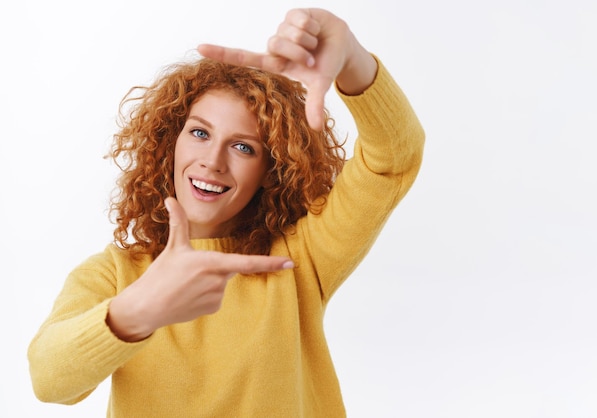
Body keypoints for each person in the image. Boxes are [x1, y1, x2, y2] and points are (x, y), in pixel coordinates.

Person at [28, 7, 425, 417]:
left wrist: (353, 60)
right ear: (170, 142)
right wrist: (137, 309)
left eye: (243, 147)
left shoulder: (299, 259)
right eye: (200, 133)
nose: (212, 161)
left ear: (272, 171)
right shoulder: (115, 274)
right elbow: (49, 380)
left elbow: (394, 158)